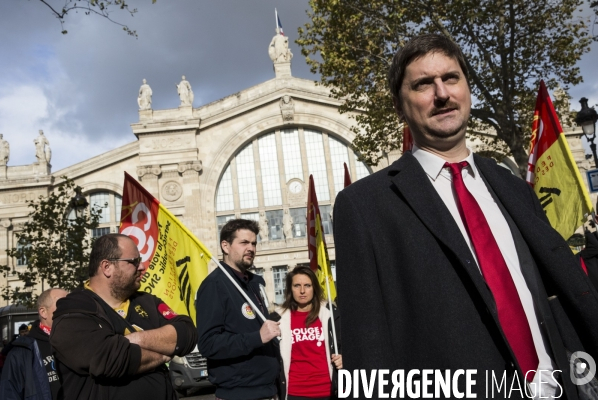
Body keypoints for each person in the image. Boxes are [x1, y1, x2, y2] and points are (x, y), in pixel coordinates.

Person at [333, 33, 598, 399]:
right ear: (400, 106)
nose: (441, 93)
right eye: (424, 84)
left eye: (451, 78)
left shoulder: (512, 186)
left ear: (467, 88)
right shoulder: (364, 206)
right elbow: (367, 346)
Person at [50, 233, 197, 400]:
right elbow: (110, 360)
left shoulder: (146, 302)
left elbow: (186, 332)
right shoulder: (73, 312)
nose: (142, 267)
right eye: (133, 261)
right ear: (107, 267)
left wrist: (137, 339)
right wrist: (163, 353)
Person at [196, 219, 280, 400]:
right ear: (225, 246)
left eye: (254, 243)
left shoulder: (254, 283)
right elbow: (208, 344)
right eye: (244, 243)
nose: (251, 248)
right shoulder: (214, 285)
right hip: (239, 394)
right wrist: (257, 337)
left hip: (268, 391)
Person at [277, 266, 342, 400]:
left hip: (327, 391)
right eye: (297, 285)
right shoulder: (278, 318)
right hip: (295, 393)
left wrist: (344, 358)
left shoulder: (330, 314)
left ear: (314, 288)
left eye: (307, 285)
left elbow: (348, 345)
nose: (302, 291)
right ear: (290, 289)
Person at [0, 288, 68, 399]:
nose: (69, 309)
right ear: (43, 312)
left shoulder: (79, 342)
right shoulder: (21, 352)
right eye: (62, 304)